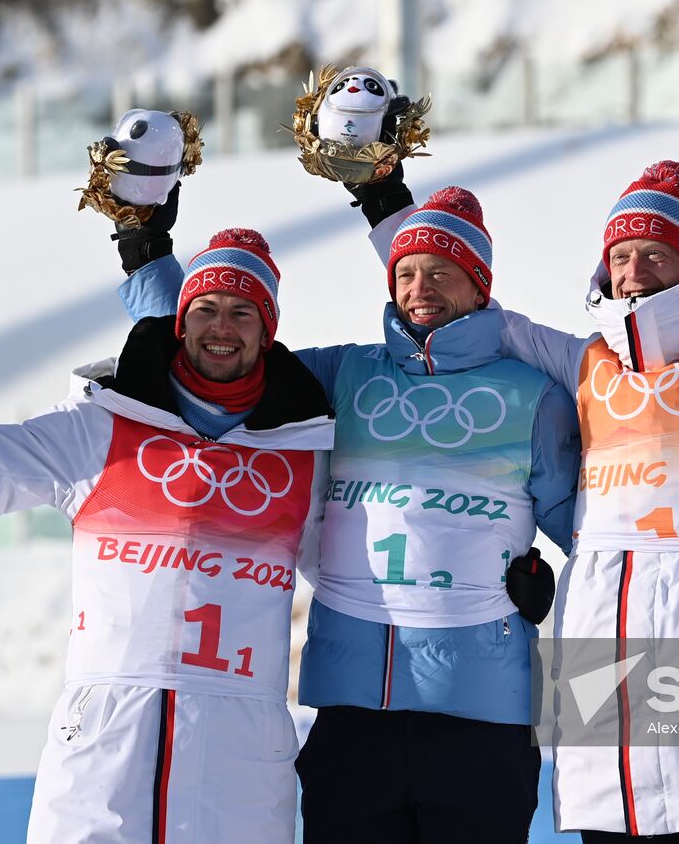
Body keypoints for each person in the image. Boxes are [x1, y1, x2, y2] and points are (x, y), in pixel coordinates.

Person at [0, 228, 335, 844]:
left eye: (243, 312)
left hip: (242, 759)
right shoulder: (97, 430)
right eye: (204, 309)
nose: (222, 326)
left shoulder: (306, 456)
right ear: (180, 324)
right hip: (104, 746)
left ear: (269, 331)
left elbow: (364, 586)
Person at [118, 183, 581, 843]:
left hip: (481, 711)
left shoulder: (533, 395)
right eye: (407, 272)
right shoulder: (344, 376)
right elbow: (217, 362)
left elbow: (593, 526)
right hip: (351, 710)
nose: (421, 288)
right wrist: (146, 257)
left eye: (442, 273)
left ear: (481, 287)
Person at [358, 160, 679, 842]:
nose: (633, 271)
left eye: (655, 253)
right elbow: (458, 306)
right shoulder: (589, 362)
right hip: (603, 639)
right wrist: (388, 204)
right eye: (621, 255)